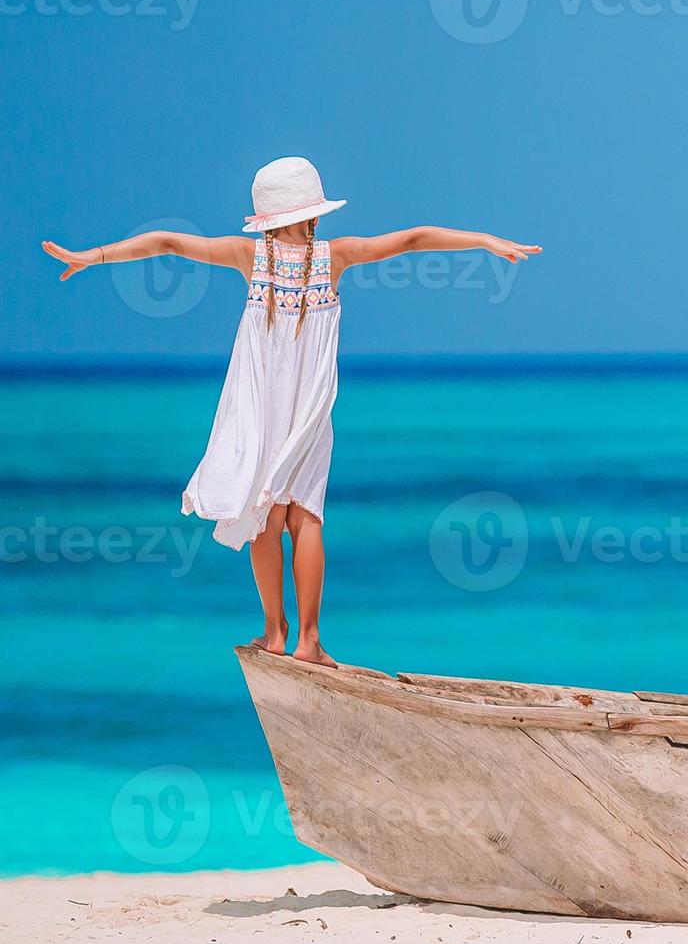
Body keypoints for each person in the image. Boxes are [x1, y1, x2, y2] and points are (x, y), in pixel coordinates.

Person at [42, 157, 541, 666]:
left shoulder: (247, 256)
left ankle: (273, 633)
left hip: (259, 403)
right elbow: (413, 239)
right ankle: (309, 641)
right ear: (313, 213)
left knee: (265, 514)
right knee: (305, 515)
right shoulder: (337, 256)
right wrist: (484, 240)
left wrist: (93, 256)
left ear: (266, 218)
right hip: (308, 405)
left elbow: (167, 242)